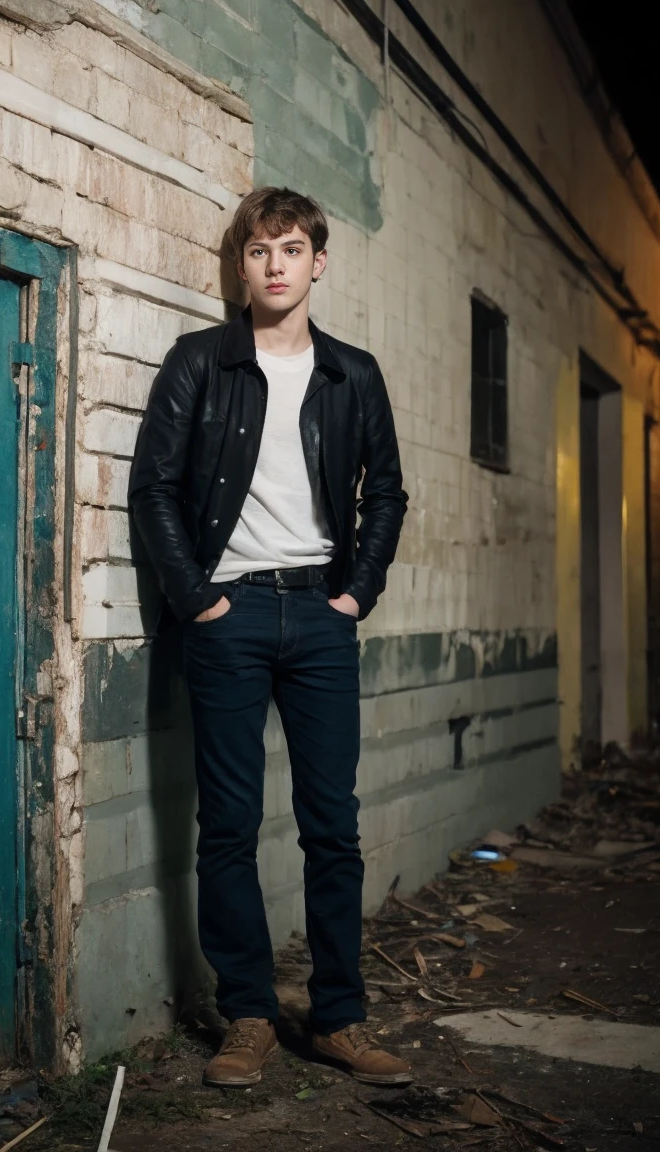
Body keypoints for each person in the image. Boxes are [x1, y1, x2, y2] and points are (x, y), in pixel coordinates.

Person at [128, 187, 410, 1088]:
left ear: (318, 262)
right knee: (229, 826)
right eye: (260, 252)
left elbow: (388, 494)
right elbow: (154, 490)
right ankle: (247, 1016)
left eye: (292, 249)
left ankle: (339, 1019)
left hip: (322, 617)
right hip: (231, 617)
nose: (277, 264)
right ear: (241, 265)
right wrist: (200, 599)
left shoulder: (352, 374)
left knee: (333, 827)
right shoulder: (200, 362)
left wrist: (356, 595)